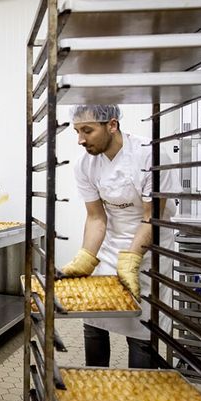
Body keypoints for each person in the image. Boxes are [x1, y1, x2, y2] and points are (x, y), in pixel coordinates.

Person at [60, 104, 180, 368]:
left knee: (139, 329)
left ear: (111, 125)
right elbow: (96, 217)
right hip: (111, 246)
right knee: (93, 320)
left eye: (87, 131)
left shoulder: (150, 156)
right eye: (77, 131)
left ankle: (136, 396)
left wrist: (132, 258)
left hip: (149, 249)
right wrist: (86, 256)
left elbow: (151, 217)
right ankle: (95, 385)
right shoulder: (85, 165)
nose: (80, 140)